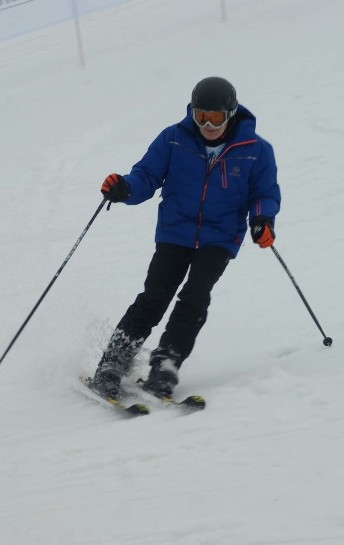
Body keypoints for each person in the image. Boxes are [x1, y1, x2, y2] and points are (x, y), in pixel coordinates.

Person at [86, 76, 281, 400]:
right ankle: (112, 365)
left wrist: (262, 219)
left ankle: (166, 364)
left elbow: (264, 192)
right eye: (200, 115)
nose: (207, 124)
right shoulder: (174, 140)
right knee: (154, 296)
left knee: (195, 295)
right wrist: (125, 188)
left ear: (230, 114)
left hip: (219, 237)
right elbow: (146, 175)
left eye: (215, 117)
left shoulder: (255, 151)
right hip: (175, 232)